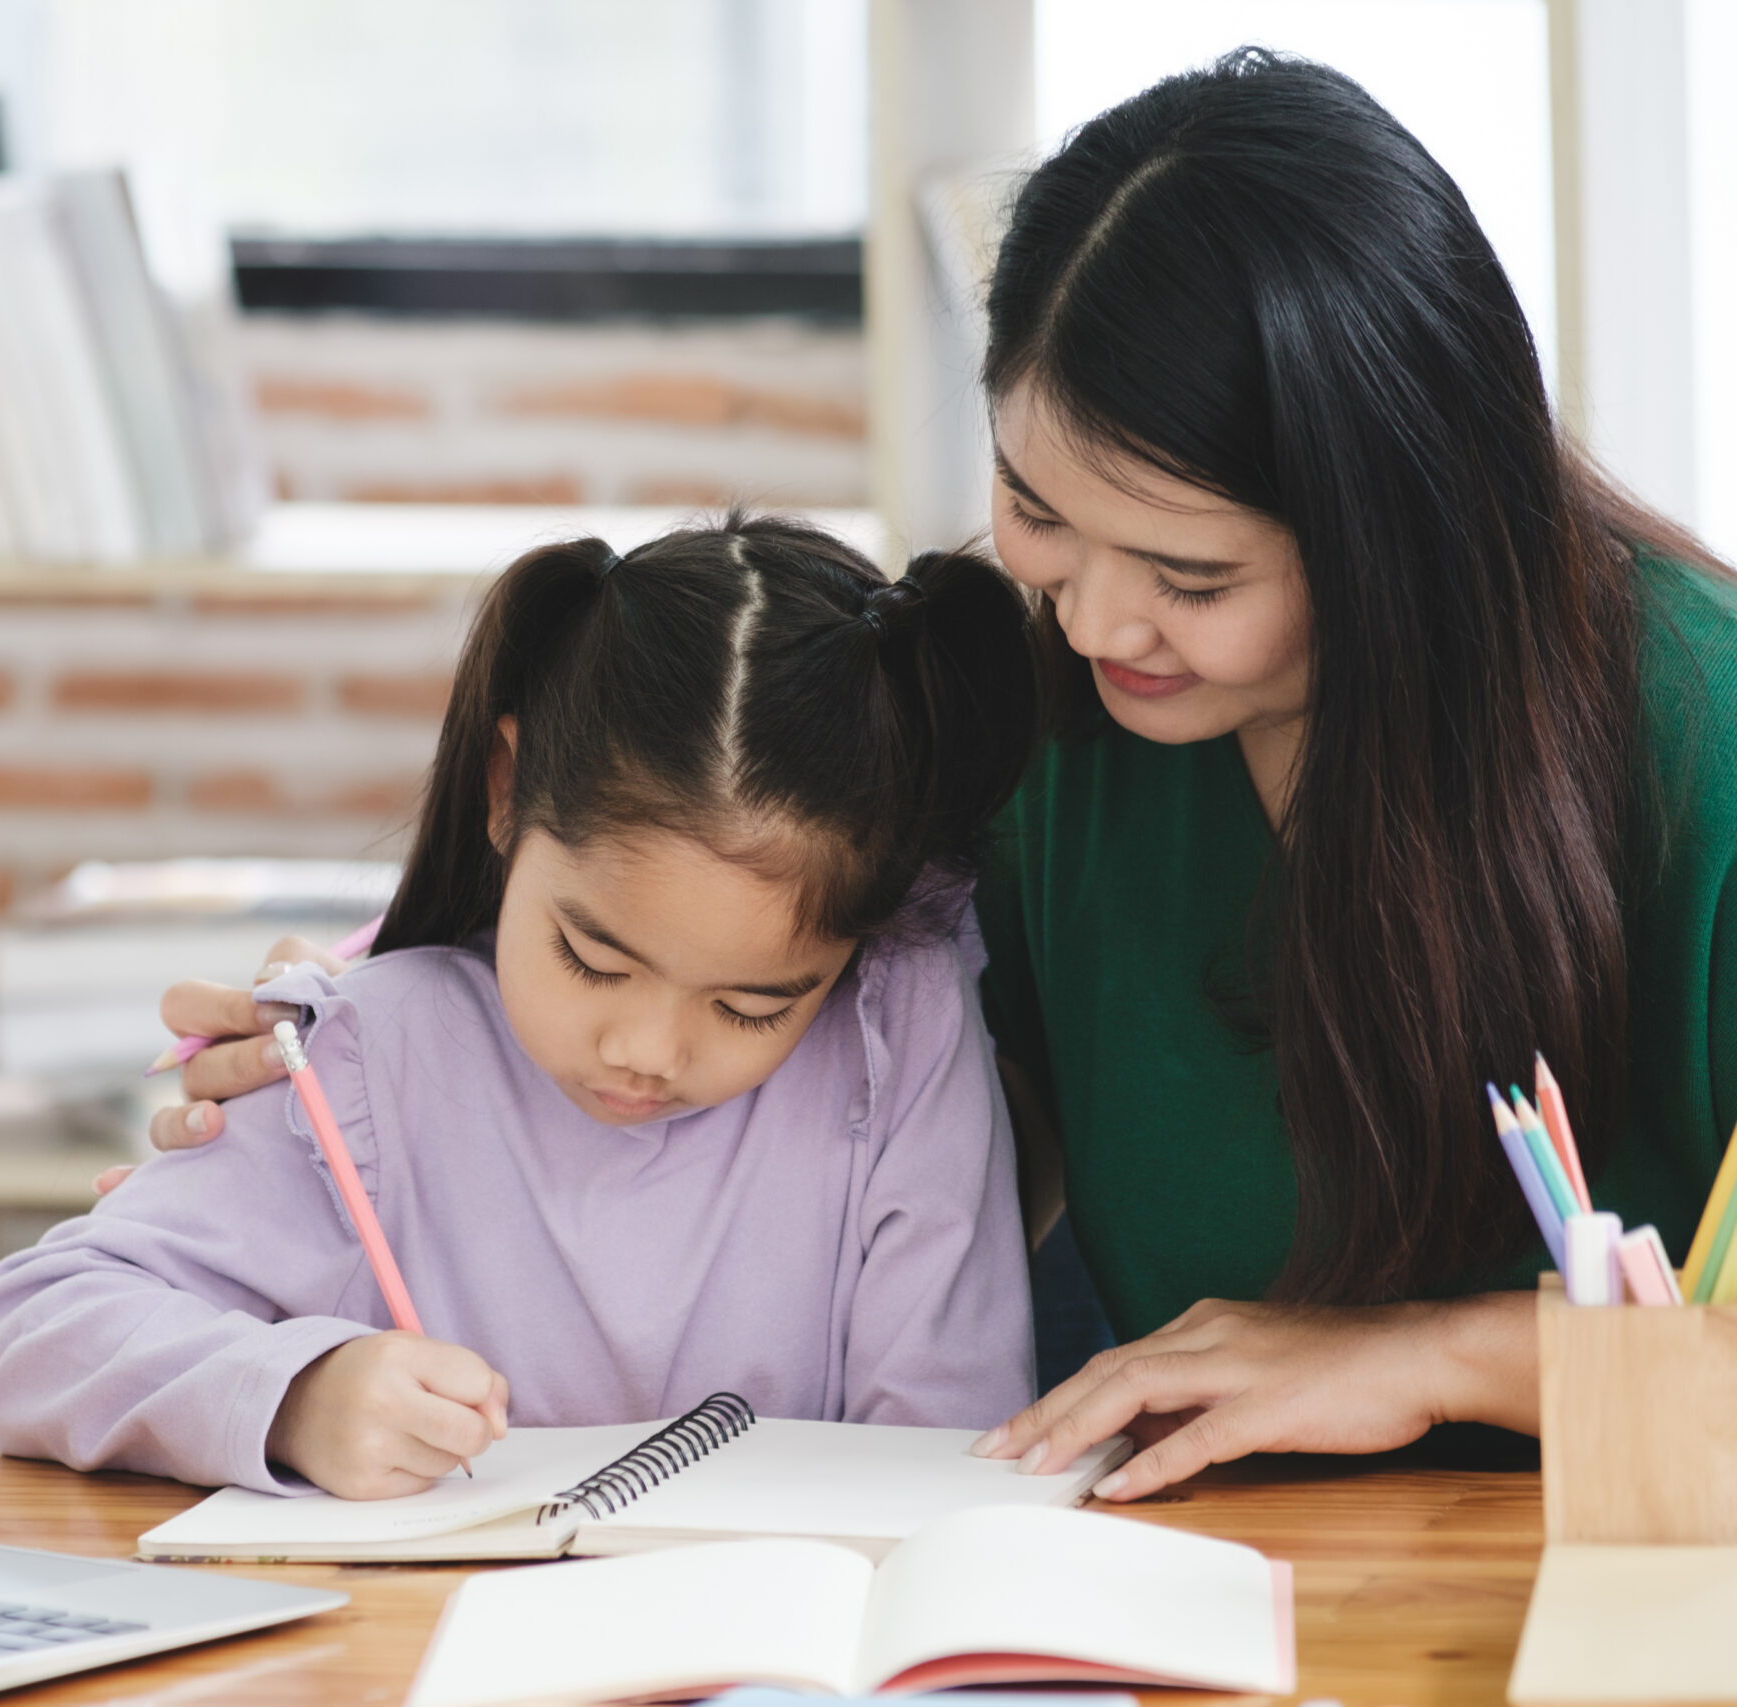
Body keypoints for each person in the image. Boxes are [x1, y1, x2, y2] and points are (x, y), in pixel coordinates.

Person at [133, 52, 1737, 1504]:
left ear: (1400, 531)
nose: (1100, 618)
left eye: (1190, 571)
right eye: (1038, 504)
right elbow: (751, 930)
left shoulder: (1698, 735)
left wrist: (1430, 1354)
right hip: (1165, 1563)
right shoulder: (1013, 694)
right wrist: (368, 1025)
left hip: (1630, 1577)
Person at [0, 518, 1043, 1499]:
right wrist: (295, 1398)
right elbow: (35, 1323)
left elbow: (951, 1453)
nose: (646, 1051)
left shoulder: (897, 1034)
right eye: (590, 959)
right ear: (503, 789)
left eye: (754, 1006)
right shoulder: (370, 1056)